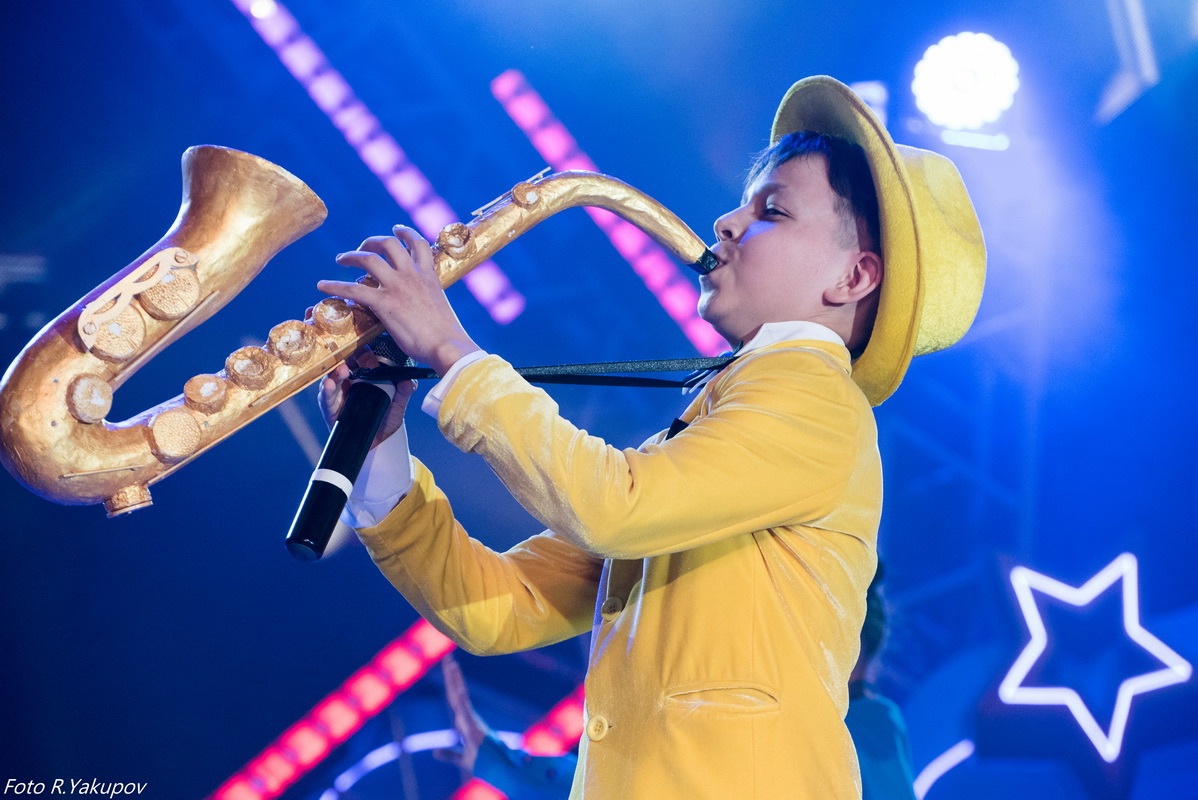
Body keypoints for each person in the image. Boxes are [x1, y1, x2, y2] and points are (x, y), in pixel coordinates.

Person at [315, 76, 985, 799]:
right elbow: (502, 605)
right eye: (744, 202)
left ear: (853, 277)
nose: (727, 222)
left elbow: (614, 506)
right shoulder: (724, 421)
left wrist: (450, 349)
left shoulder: (814, 396)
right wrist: (380, 450)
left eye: (772, 210)